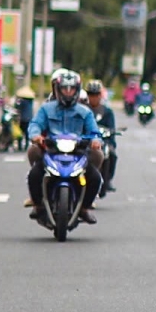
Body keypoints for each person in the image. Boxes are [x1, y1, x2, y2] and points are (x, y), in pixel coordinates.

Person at [25, 68, 103, 224]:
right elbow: (35, 124)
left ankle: (84, 208)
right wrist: (35, 136)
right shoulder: (46, 109)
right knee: (34, 175)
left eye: (71, 89)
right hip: (51, 152)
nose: (68, 92)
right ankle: (39, 205)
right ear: (57, 90)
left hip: (77, 153)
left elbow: (94, 131)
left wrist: (95, 140)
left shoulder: (85, 112)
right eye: (64, 89)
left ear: (77, 91)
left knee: (95, 178)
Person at [86, 79, 118, 194]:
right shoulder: (83, 110)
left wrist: (110, 139)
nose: (94, 97)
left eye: (96, 94)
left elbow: (112, 128)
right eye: (91, 94)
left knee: (112, 153)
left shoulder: (107, 111)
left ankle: (108, 179)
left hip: (103, 139)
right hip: (87, 140)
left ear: (101, 95)